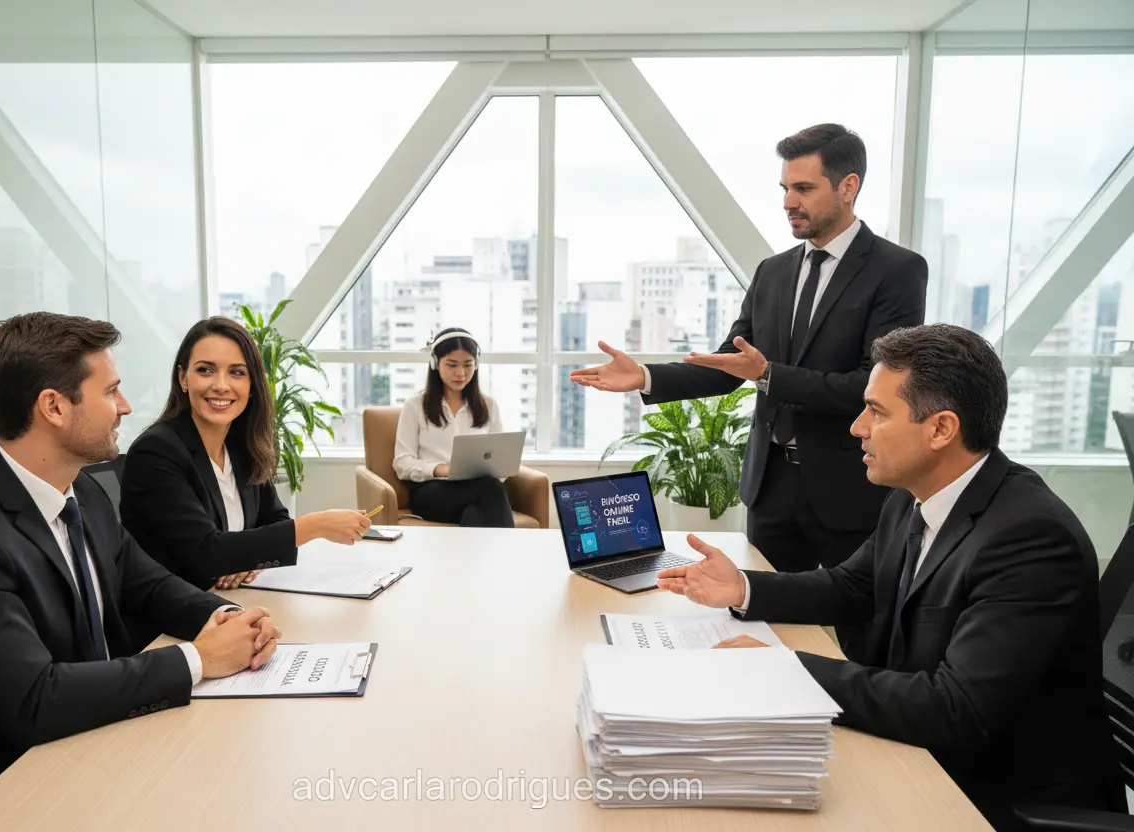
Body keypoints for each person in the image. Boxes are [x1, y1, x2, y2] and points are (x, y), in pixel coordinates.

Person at [657, 324, 1121, 831]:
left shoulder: (1030, 538)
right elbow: (853, 586)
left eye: (876, 411)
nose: (857, 427)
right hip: (924, 754)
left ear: (941, 429)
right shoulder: (913, 494)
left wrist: (784, 670)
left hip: (995, 796)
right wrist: (745, 588)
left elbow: (956, 709)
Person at [0, 313, 282, 797]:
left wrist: (230, 618)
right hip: (0, 785)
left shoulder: (82, 494)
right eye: (110, 392)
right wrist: (198, 659)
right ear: (54, 407)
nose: (126, 406)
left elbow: (148, 584)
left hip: (91, 742)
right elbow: (36, 698)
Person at [571, 123, 928, 574]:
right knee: (764, 619)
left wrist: (768, 376)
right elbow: (730, 365)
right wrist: (645, 376)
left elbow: (871, 385)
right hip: (770, 487)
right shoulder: (772, 272)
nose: (787, 203)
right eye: (784, 188)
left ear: (848, 187)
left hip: (848, 488)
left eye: (803, 188)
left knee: (854, 626)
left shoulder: (897, 270)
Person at [120, 317, 371, 591]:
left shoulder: (241, 445)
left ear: (252, 384)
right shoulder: (156, 453)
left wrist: (248, 558)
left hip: (233, 604)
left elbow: (274, 520)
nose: (221, 385)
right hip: (170, 624)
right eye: (206, 370)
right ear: (183, 378)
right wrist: (318, 524)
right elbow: (206, 553)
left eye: (237, 373)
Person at [393, 328, 515, 528]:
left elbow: (498, 462)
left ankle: (479, 559)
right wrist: (441, 469)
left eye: (468, 365)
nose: (461, 373)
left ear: (476, 365)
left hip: (477, 490)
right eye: (452, 365)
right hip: (431, 492)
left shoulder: (489, 405)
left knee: (474, 514)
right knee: (490, 489)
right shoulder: (415, 405)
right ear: (435, 363)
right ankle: (511, 556)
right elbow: (402, 463)